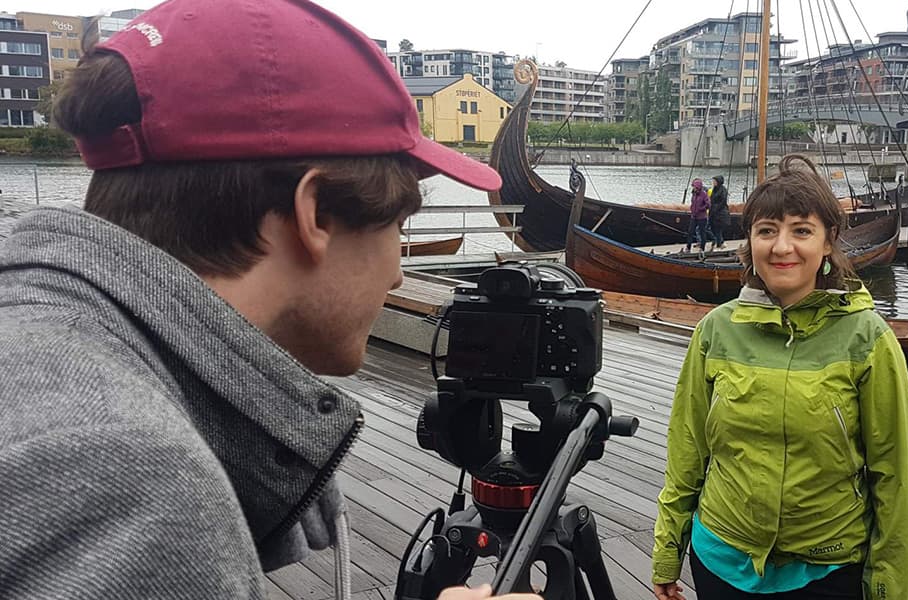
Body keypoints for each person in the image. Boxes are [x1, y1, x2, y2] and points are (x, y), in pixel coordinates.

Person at [0, 1, 537, 599]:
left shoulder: (40, 348)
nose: (395, 277)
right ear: (315, 215)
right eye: (398, 226)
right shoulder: (135, 483)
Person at [652, 155, 908, 600]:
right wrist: (668, 549)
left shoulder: (867, 338)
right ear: (750, 240)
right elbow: (687, 452)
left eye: (801, 230)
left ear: (828, 241)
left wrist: (889, 585)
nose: (781, 247)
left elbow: (895, 476)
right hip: (721, 561)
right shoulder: (716, 331)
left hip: (826, 570)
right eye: (767, 230)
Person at [686, 178, 711, 253]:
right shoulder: (694, 194)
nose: (693, 188)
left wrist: (701, 209)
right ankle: (688, 247)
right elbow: (693, 203)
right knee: (690, 232)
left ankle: (702, 248)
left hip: (702, 217)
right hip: (694, 216)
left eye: (694, 186)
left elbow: (708, 204)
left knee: (702, 232)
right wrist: (692, 209)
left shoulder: (703, 194)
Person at [708, 175, 730, 250]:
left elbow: (723, 201)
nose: (713, 183)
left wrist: (715, 208)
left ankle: (719, 244)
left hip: (720, 213)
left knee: (718, 229)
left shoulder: (723, 190)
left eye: (714, 181)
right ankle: (720, 242)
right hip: (713, 213)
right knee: (714, 228)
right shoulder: (715, 189)